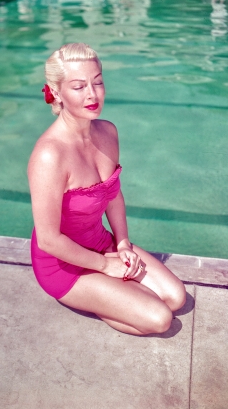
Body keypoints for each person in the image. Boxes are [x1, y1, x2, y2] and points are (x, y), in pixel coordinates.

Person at [28, 43, 186, 336]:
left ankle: (112, 294)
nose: (92, 94)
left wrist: (123, 243)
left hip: (101, 243)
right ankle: (101, 298)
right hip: (62, 265)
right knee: (160, 318)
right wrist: (104, 266)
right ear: (57, 92)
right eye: (79, 86)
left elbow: (113, 195)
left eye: (98, 82)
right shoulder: (49, 156)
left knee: (176, 297)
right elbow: (49, 240)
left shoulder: (108, 132)